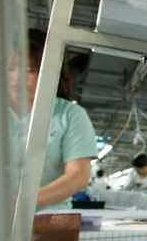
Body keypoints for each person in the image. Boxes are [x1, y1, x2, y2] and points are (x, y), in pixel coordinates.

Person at [8, 28, 98, 210]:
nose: (16, 78)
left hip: (48, 220)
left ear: (49, 73)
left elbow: (78, 175)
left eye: (28, 70)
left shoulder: (70, 115)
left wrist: (21, 204)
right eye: (10, 69)